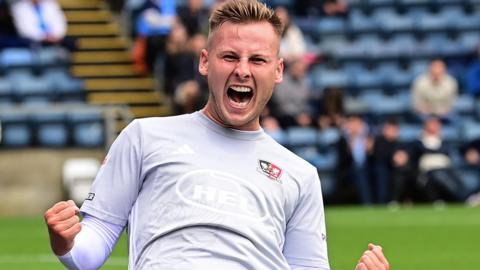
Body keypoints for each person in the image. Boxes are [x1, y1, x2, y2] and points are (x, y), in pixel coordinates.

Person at [44, 1, 390, 270]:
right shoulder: (143, 137)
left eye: (257, 59)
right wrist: (66, 242)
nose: (242, 69)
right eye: (229, 56)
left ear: (278, 70)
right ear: (205, 63)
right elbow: (91, 250)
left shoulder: (300, 174)